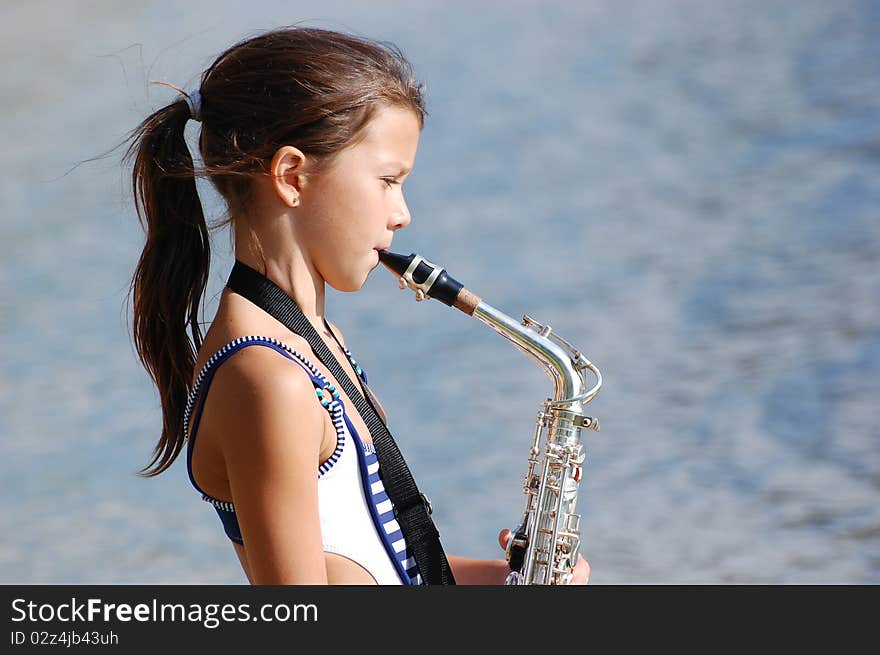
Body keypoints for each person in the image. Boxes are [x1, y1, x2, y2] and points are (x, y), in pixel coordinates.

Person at [124, 25, 590, 585]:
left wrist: (509, 581)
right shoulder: (270, 381)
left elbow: (385, 568)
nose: (402, 214)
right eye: (389, 180)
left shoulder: (312, 344)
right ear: (292, 175)